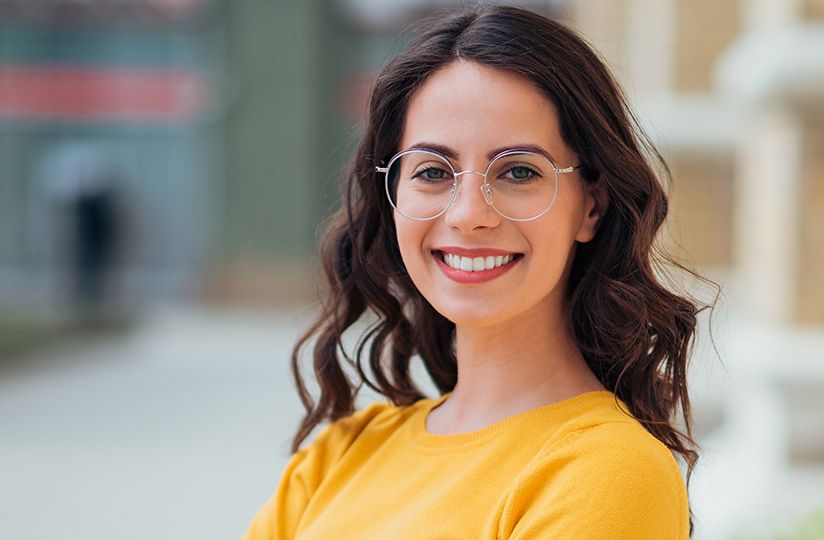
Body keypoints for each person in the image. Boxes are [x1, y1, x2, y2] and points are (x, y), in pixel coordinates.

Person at [243, 5, 711, 539]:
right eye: (433, 171)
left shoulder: (605, 472)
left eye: (518, 171)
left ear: (592, 206)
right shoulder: (337, 457)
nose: (468, 214)